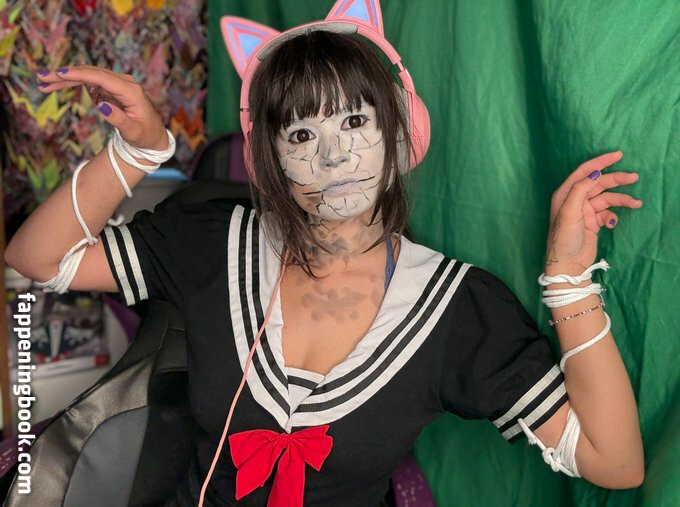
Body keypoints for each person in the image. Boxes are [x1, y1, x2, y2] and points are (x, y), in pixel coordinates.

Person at [6, 0, 644, 505]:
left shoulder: (455, 309)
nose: (333, 156)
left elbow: (615, 464)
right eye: (301, 134)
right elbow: (38, 259)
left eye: (355, 122)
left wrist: (568, 280)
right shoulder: (212, 241)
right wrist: (135, 153)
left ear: (402, 132)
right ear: (270, 162)